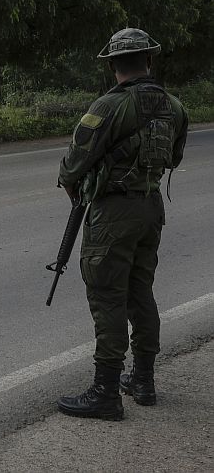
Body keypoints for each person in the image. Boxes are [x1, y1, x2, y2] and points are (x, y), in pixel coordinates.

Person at [55, 28, 189, 420]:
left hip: (113, 214)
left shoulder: (108, 107)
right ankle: (143, 381)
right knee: (140, 292)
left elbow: (72, 167)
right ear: (149, 60)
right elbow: (174, 159)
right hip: (150, 208)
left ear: (113, 65)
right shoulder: (175, 107)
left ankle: (105, 393)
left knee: (108, 297)